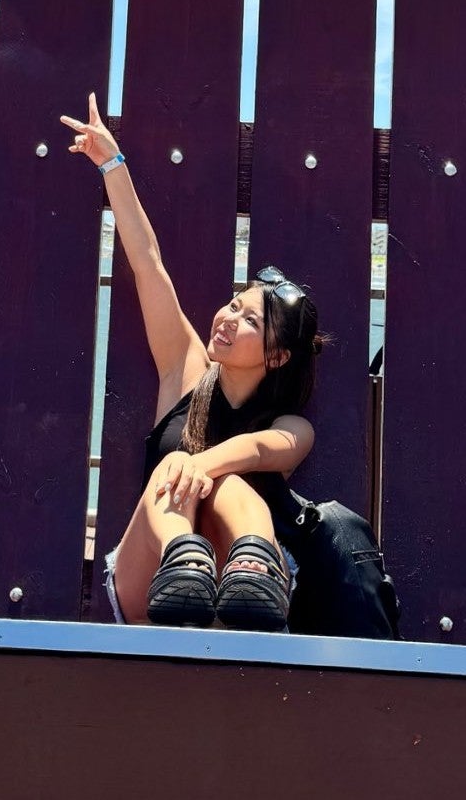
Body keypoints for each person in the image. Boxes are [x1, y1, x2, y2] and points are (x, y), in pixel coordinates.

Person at [60, 93, 325, 631]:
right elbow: (147, 264)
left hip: (242, 588)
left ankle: (252, 576)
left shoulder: (291, 426)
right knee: (175, 472)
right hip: (150, 577)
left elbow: (260, 449)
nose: (227, 318)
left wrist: (198, 465)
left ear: (277, 356)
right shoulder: (185, 368)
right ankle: (184, 565)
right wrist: (112, 163)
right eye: (233, 304)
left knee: (222, 480)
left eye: (249, 321)